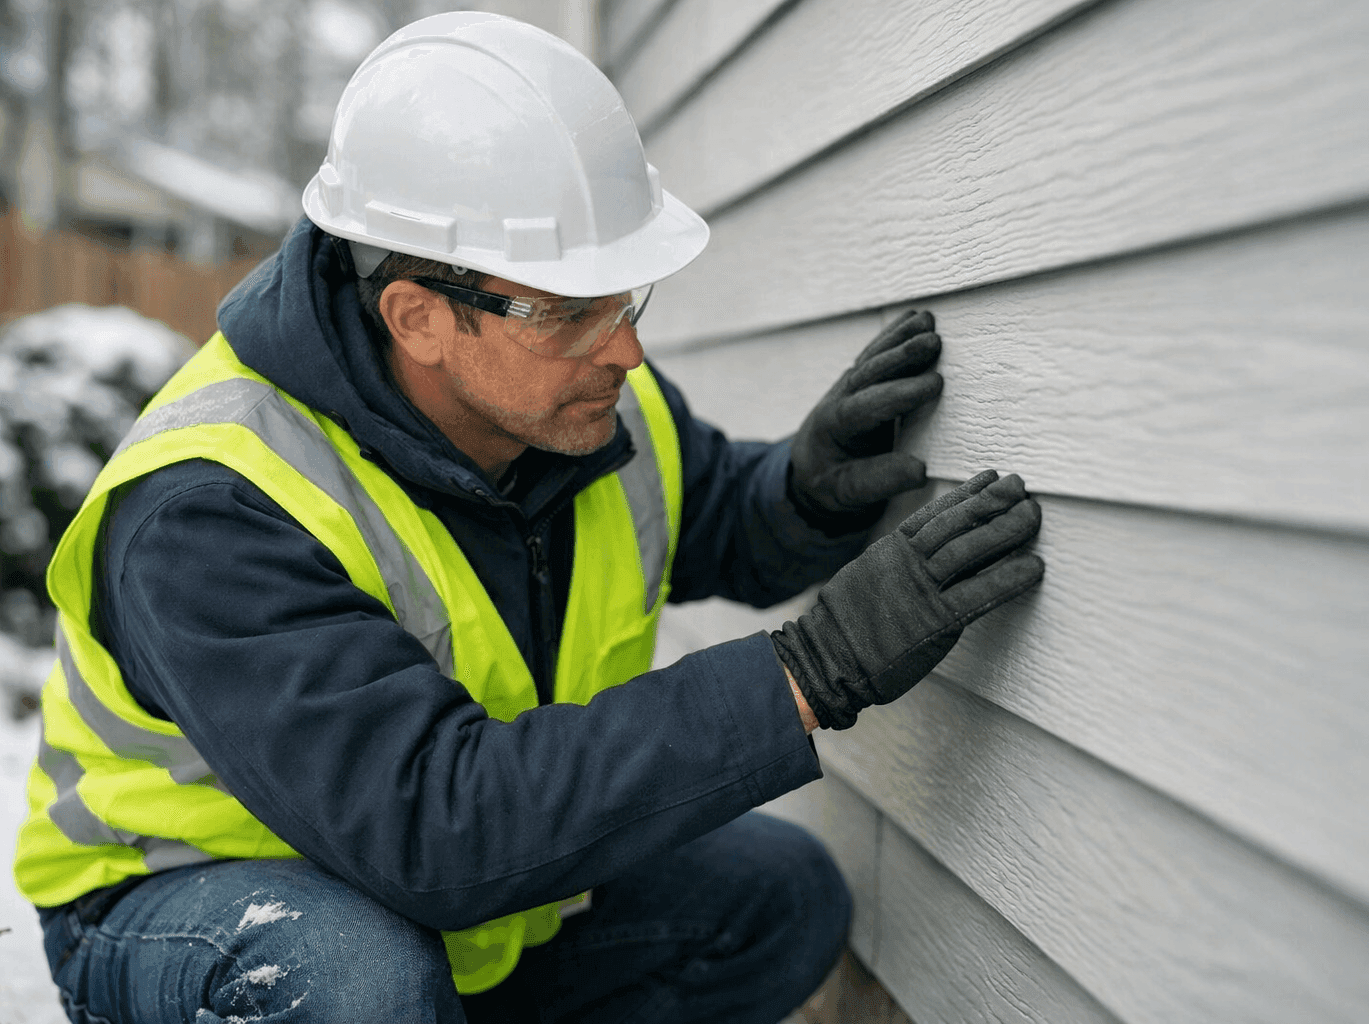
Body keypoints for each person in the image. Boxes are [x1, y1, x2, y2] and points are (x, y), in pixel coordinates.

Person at [14, 12, 1044, 1023]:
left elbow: (712, 514)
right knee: (356, 984)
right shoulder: (214, 507)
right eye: (570, 311)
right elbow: (431, 824)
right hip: (192, 904)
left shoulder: (572, 403)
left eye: (624, 298)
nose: (625, 351)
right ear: (417, 316)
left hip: (441, 900)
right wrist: (806, 674)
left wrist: (804, 492)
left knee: (774, 898)